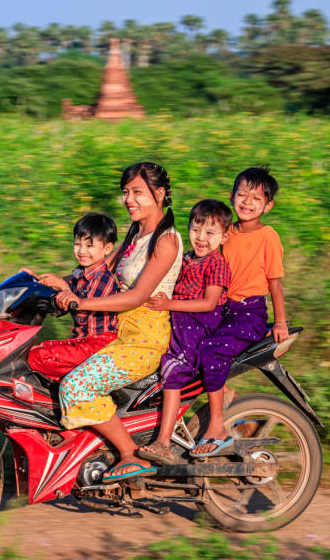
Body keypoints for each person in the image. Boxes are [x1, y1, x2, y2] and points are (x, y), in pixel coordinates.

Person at [56, 162, 182, 481]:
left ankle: (128, 454)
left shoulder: (165, 240)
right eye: (126, 193)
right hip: (118, 331)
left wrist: (81, 301)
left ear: (160, 194)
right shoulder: (137, 232)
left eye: (137, 192)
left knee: (77, 386)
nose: (129, 200)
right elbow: (99, 269)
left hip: (144, 339)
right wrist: (56, 284)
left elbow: (137, 296)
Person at [190, 166, 288, 456]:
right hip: (221, 308)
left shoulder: (268, 236)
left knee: (211, 349)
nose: (247, 202)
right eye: (242, 194)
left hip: (250, 312)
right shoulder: (225, 232)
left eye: (256, 198)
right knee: (185, 349)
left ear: (267, 206)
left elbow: (275, 283)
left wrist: (279, 321)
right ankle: (232, 412)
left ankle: (217, 426)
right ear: (231, 196)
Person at [138, 200, 232, 464]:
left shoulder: (217, 263)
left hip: (199, 326)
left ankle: (164, 441)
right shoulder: (186, 258)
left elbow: (208, 303)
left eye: (210, 233)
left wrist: (168, 304)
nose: (201, 238)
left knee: (173, 368)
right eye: (195, 230)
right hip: (178, 322)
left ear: (224, 236)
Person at [26, 213, 120, 381]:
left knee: (37, 357)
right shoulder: (80, 273)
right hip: (82, 342)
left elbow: (82, 314)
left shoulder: (103, 280)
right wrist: (34, 279)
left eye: (89, 245)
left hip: (98, 345)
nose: (82, 251)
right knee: (33, 352)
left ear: (107, 248)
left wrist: (63, 288)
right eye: (77, 244)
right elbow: (62, 286)